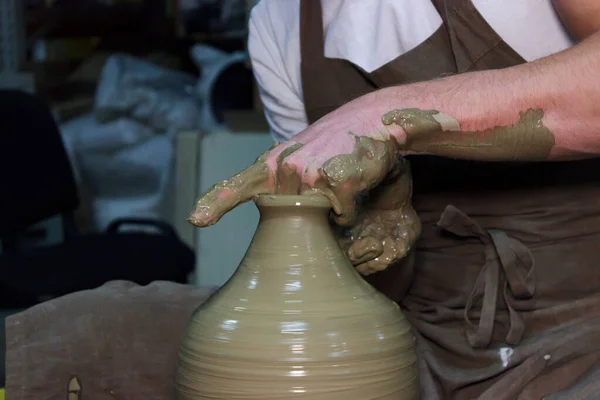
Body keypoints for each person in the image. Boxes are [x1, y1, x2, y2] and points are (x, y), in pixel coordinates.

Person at [189, 0, 600, 398]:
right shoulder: (276, 28)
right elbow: (377, 291)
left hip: (583, 328)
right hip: (420, 337)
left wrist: (381, 119)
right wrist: (372, 222)